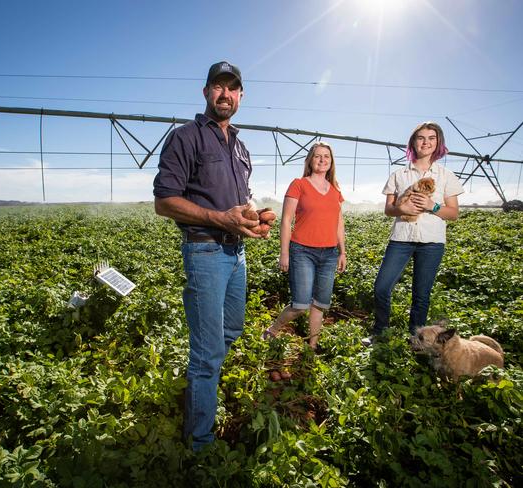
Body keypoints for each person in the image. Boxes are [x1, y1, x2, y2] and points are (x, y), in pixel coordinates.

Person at [152, 61, 262, 451]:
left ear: (241, 96)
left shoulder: (241, 147)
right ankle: (199, 446)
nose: (225, 94)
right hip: (205, 251)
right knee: (207, 350)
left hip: (237, 254)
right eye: (218, 86)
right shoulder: (186, 138)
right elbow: (164, 202)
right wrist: (219, 218)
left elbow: (238, 203)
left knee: (231, 330)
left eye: (232, 89)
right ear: (205, 93)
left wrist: (252, 218)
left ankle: (205, 385)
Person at [362, 122, 464, 346]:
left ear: (438, 143)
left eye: (431, 138)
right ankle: (380, 333)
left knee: (421, 295)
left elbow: (453, 213)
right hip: (401, 239)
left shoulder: (446, 175)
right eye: (421, 137)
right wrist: (402, 209)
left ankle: (416, 340)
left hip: (432, 242)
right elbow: (388, 209)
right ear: (413, 142)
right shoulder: (399, 175)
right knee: (381, 287)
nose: (425, 142)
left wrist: (432, 206)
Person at [262, 142, 346, 352]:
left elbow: (339, 222)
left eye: (326, 156)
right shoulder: (298, 184)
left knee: (320, 303)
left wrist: (342, 251)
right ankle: (273, 329)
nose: (322, 160)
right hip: (302, 251)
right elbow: (286, 219)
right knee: (300, 304)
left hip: (329, 253)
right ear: (310, 160)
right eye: (317, 156)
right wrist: (284, 253)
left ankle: (312, 345)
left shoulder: (335, 190)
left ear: (331, 161)